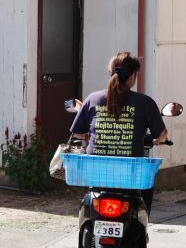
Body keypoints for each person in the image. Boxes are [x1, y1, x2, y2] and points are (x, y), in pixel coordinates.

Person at [68, 52, 168, 212]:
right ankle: (144, 226)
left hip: (97, 173)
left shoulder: (93, 99)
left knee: (88, 203)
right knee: (147, 187)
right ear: (132, 77)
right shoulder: (145, 103)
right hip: (130, 175)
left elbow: (78, 134)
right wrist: (156, 140)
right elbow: (161, 135)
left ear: (111, 73)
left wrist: (93, 135)